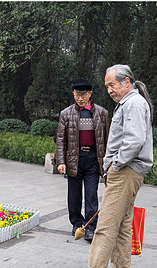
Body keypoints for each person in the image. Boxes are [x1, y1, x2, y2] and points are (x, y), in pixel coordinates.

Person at [71, 64, 154, 268]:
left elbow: (135, 140)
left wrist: (116, 164)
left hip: (126, 170)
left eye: (112, 84)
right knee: (123, 223)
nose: (109, 90)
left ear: (127, 81)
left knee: (106, 223)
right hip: (129, 171)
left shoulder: (134, 104)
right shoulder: (129, 103)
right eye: (107, 86)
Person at [56, 78, 110, 242]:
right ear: (73, 94)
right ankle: (76, 223)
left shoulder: (102, 113)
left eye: (83, 95)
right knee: (74, 195)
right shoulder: (66, 114)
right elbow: (60, 140)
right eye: (77, 95)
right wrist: (61, 162)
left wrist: (107, 162)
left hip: (93, 158)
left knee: (91, 195)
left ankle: (90, 227)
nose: (80, 98)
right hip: (74, 158)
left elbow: (108, 139)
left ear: (90, 94)